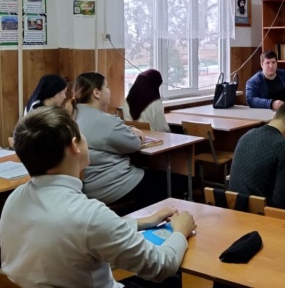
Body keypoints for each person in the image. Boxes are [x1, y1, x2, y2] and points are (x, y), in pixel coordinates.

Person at [0, 106, 196, 288]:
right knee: (172, 280)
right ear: (75, 146)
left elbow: (82, 232)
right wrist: (181, 231)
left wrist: (142, 222)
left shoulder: (15, 199)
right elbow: (160, 266)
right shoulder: (88, 214)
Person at [71, 72, 168, 213]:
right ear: (96, 93)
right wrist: (139, 135)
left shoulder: (72, 115)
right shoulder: (104, 121)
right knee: (159, 180)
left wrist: (128, 128)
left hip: (86, 186)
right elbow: (134, 144)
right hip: (111, 185)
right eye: (106, 87)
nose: (109, 90)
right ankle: (149, 220)